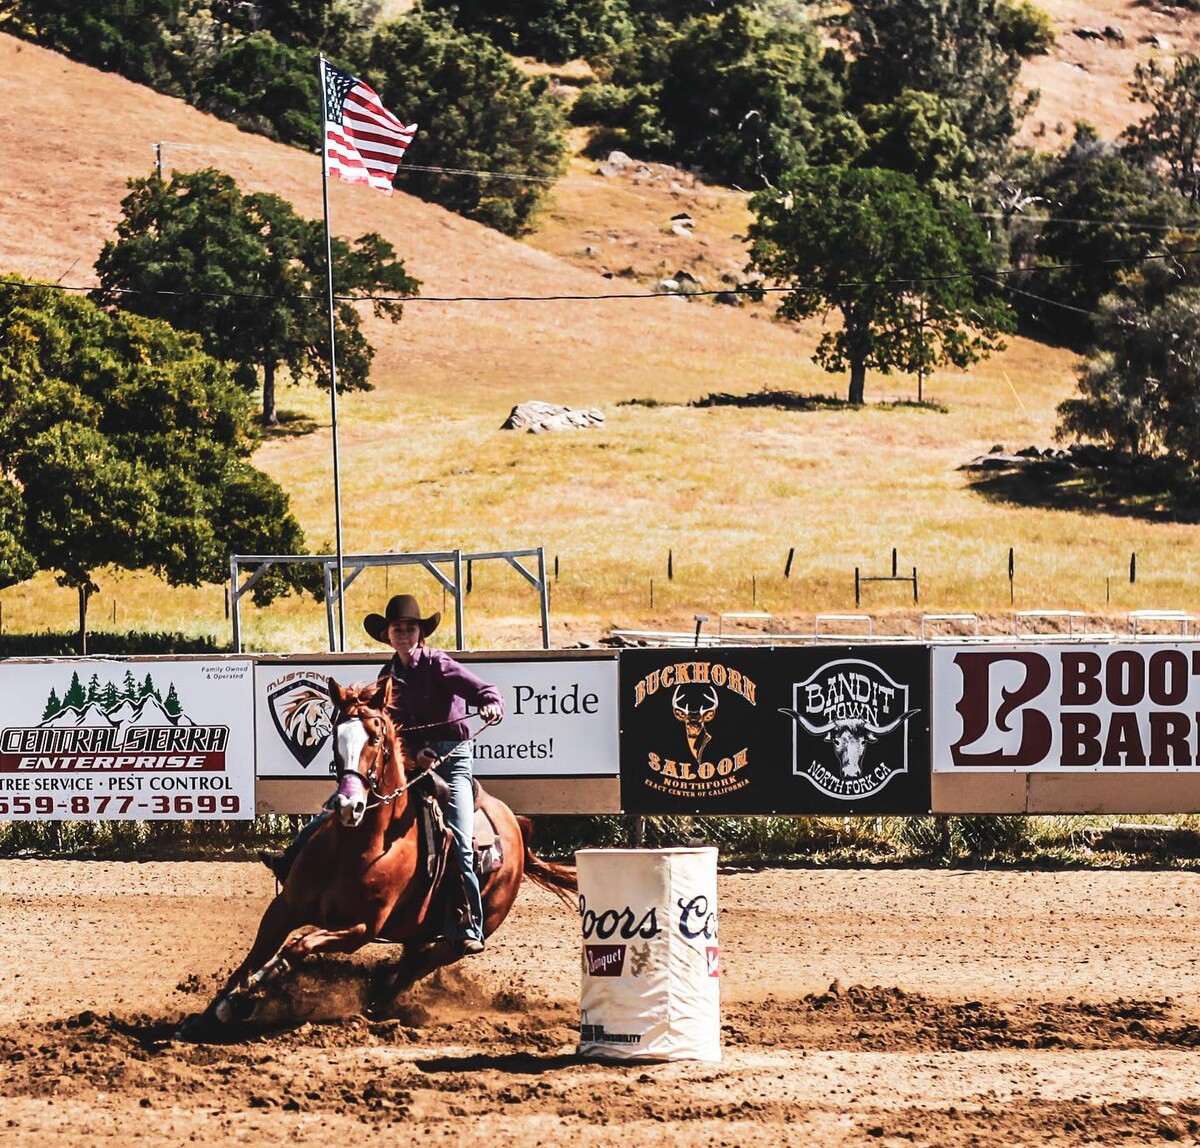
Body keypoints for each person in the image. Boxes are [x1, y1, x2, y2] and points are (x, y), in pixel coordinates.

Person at [261, 594, 503, 957]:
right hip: (412, 760)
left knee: (459, 838)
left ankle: (468, 921)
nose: (404, 634)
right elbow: (390, 730)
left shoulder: (438, 664)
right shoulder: (388, 677)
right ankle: (291, 858)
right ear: (388, 636)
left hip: (452, 758)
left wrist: (490, 703)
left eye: (410, 628)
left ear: (420, 634)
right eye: (398, 629)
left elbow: (484, 689)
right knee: (335, 807)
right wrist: (414, 755)